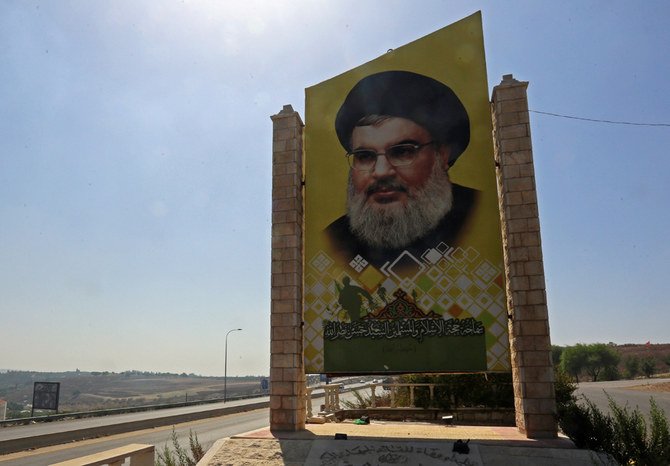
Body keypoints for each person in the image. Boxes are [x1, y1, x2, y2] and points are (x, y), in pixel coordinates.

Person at [324, 70, 478, 273]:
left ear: (442, 155)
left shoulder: (478, 217)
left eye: (403, 152)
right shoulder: (334, 239)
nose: (381, 172)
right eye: (365, 156)